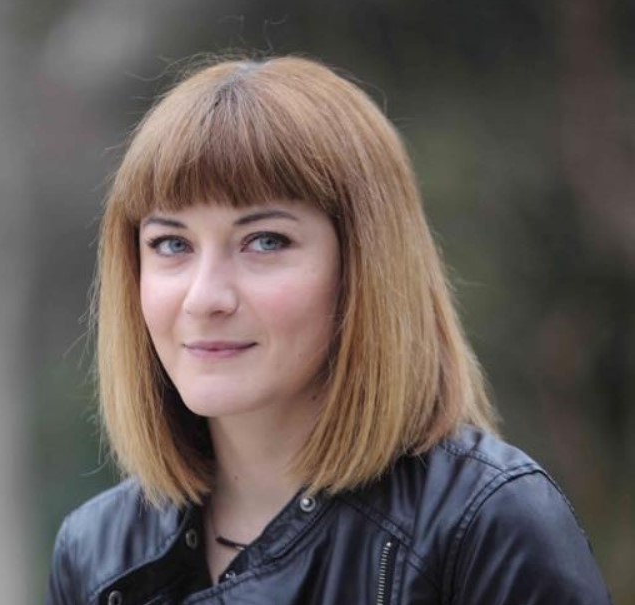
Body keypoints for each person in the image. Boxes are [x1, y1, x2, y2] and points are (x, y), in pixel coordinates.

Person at [47, 56, 612, 605]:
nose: (204, 298)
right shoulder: (96, 555)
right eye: (172, 244)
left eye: (265, 241)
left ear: (363, 266)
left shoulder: (486, 526)